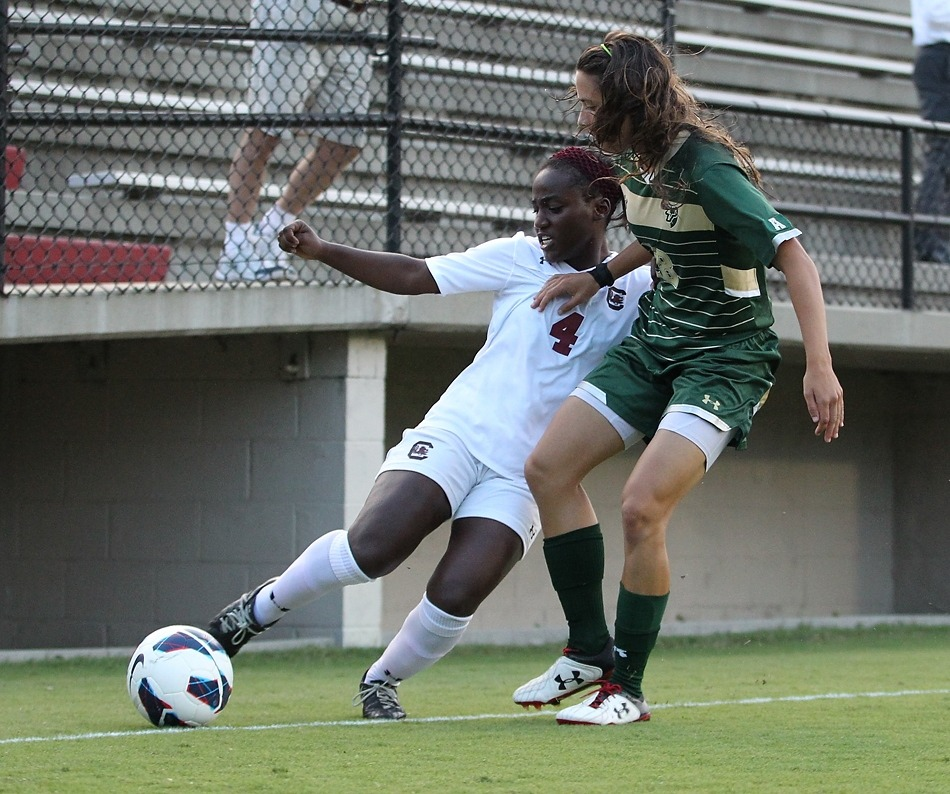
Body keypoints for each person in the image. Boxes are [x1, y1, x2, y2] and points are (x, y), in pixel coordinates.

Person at [206, 146, 653, 720]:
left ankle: (380, 681)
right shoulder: (518, 257)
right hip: (457, 434)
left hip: (527, 474)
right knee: (373, 551)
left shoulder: (637, 286)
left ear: (599, 206)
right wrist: (322, 250)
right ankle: (254, 612)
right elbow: (417, 275)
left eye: (555, 207)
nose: (540, 220)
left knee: (457, 593)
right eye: (536, 206)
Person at [511, 32, 845, 726]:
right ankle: (589, 651)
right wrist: (599, 274)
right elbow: (660, 230)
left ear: (627, 102)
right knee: (546, 468)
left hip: (726, 359)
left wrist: (820, 366)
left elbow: (795, 258)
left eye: (588, 103)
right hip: (656, 344)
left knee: (641, 508)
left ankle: (625, 690)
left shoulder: (706, 165)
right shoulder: (636, 159)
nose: (579, 115)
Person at [214, 0, 371, 282]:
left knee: (347, 139)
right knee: (267, 129)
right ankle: (235, 248)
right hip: (296, 7)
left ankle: (268, 233)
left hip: (352, 15)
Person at [912, 0, 950, 264]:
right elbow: (937, 16)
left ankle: (937, 238)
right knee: (942, 149)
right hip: (941, 57)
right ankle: (928, 239)